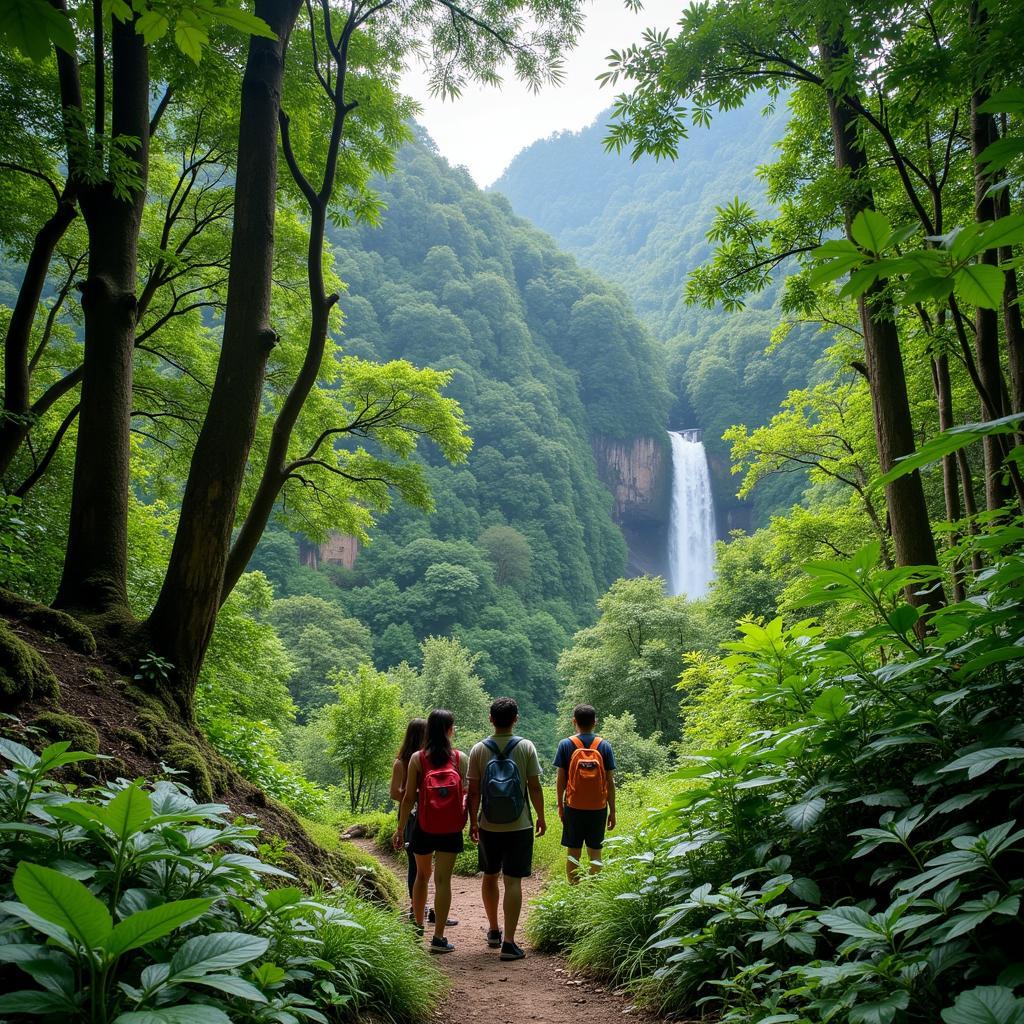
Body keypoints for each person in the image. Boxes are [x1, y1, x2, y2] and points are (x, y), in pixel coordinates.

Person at [467, 697, 545, 962]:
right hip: (519, 824)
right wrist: (541, 816)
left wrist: (472, 821)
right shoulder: (526, 747)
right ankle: (509, 943)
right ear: (516, 719)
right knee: (513, 880)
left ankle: (493, 930)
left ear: (491, 719)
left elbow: (474, 791)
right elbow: (534, 786)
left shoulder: (478, 749)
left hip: (488, 824)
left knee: (490, 876)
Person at [394, 709, 467, 953]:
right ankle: (438, 939)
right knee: (443, 880)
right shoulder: (459, 757)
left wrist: (401, 828)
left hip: (423, 826)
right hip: (450, 828)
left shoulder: (417, 758)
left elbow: (407, 798)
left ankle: (417, 931)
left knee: (422, 877)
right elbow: (466, 795)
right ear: (449, 729)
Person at [554, 704, 616, 883]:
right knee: (595, 851)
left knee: (573, 851)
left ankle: (574, 888)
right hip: (598, 807)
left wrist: (560, 805)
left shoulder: (566, 744)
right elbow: (609, 782)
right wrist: (613, 811)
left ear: (574, 721)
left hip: (573, 807)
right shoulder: (604, 746)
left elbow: (561, 781)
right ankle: (594, 889)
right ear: (594, 723)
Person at [389, 718, 426, 919]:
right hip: (416, 815)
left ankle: (418, 908)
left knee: (417, 865)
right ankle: (419, 908)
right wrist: (415, 794)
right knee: (421, 865)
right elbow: (396, 793)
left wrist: (410, 795)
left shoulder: (402, 762)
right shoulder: (412, 761)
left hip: (410, 815)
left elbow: (395, 793)